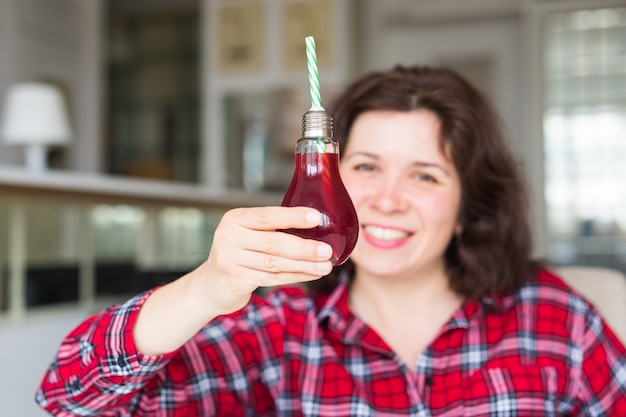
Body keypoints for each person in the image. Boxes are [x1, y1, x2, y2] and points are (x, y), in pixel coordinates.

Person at [36, 66, 626, 416]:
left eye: (424, 175)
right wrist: (204, 289)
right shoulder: (277, 328)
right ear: (333, 180)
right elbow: (68, 399)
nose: (387, 200)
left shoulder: (556, 321)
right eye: (366, 167)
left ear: (469, 203)